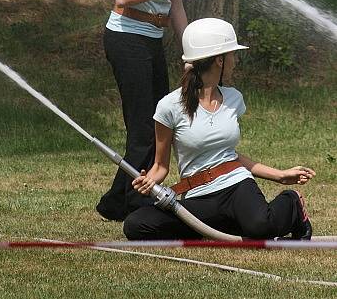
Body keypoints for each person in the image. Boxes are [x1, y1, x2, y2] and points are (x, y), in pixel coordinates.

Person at [124, 18, 315, 240]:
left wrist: (280, 176)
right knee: (136, 225)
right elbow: (160, 166)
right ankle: (223, 226)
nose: (235, 60)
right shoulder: (169, 106)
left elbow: (230, 157)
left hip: (237, 186)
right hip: (199, 196)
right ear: (219, 60)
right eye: (232, 55)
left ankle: (292, 203)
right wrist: (150, 181)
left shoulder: (234, 98)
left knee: (260, 229)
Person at [96, 0, 201, 222]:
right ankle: (132, 201)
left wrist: (191, 54)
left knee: (159, 121)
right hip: (126, 38)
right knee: (142, 126)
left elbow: (176, 7)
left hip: (150, 39)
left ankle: (116, 199)